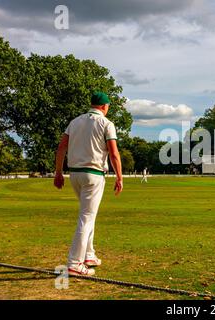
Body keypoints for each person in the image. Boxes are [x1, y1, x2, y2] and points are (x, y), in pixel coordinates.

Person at [54, 91, 123, 276]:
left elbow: (61, 147)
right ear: (104, 106)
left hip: (75, 175)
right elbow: (114, 153)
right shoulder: (106, 123)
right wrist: (119, 177)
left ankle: (89, 255)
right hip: (93, 175)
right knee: (86, 217)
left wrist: (58, 172)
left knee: (88, 215)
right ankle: (75, 263)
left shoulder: (75, 122)